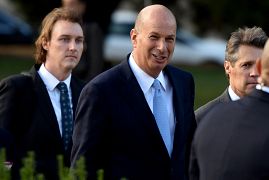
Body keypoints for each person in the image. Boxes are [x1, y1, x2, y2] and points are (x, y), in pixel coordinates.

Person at [71, 4, 196, 180]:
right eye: (154, 37)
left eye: (170, 39)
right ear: (134, 38)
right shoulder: (100, 91)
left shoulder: (184, 83)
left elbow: (188, 152)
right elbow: (82, 170)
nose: (162, 47)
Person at [189, 30, 269, 180]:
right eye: (246, 65)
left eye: (255, 66)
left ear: (260, 68)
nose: (254, 74)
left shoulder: (211, 119)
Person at [0, 7, 85, 179]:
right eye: (64, 39)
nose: (73, 47)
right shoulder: (17, 89)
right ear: (45, 42)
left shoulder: (87, 92)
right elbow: (2, 156)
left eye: (79, 41)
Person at [195, 26, 268, 123]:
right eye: (246, 65)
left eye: (261, 65)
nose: (255, 73)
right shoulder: (202, 119)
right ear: (227, 67)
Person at [62, 0, 121, 82]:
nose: (67, 9)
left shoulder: (92, 29)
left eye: (71, 5)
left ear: (82, 7)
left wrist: (88, 86)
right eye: (65, 5)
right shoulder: (60, 29)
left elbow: (96, 63)